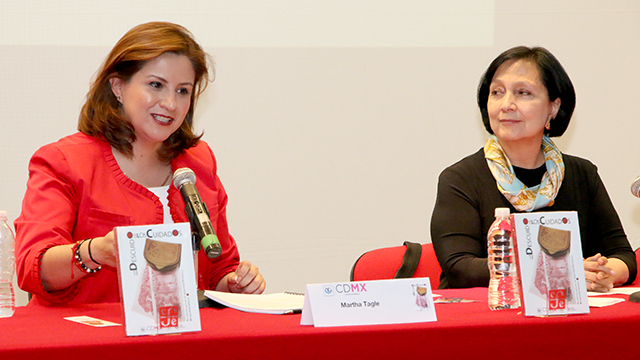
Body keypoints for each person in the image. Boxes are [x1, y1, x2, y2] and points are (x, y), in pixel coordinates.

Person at [14, 22, 266, 305]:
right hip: (90, 341)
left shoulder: (198, 161)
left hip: (181, 341)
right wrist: (96, 251)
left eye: (183, 91)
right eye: (156, 85)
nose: (171, 103)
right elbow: (32, 267)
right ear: (118, 86)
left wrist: (236, 283)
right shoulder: (64, 161)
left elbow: (219, 267)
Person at [430, 46, 636, 292]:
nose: (507, 104)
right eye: (497, 92)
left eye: (523, 93)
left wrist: (603, 274)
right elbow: (460, 268)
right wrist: (562, 270)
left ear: (553, 108)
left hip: (568, 319)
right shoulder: (461, 178)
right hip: (489, 319)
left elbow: (623, 256)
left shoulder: (582, 174)